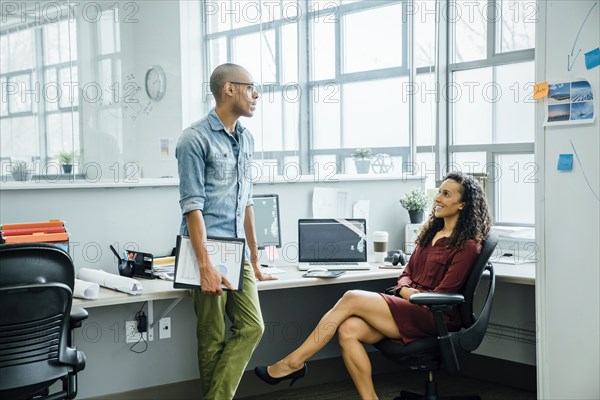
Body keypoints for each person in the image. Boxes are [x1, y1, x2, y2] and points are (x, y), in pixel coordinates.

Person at [255, 171, 492, 399]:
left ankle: (293, 363)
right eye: (439, 192)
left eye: (447, 194)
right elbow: (406, 273)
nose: (438, 198)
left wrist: (409, 294)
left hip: (434, 315)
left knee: (351, 297)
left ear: (463, 204)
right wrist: (406, 291)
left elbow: (444, 293)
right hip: (410, 303)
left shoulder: (467, 246)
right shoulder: (431, 233)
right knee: (349, 329)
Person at [176, 63, 277, 400]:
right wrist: (204, 264)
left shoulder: (246, 139)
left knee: (252, 327)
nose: (256, 95)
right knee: (213, 336)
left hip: (237, 251)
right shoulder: (194, 138)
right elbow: (193, 206)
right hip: (204, 248)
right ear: (229, 89)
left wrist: (255, 257)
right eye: (251, 87)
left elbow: (246, 202)